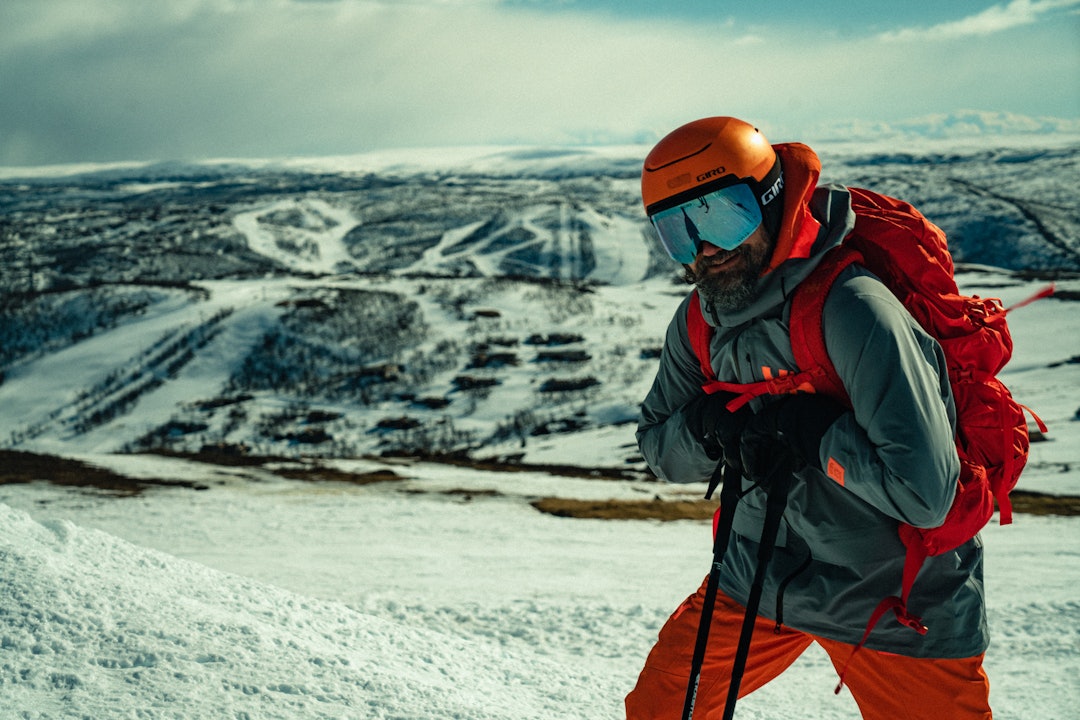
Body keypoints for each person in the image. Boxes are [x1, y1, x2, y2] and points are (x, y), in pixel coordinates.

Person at [626, 117, 992, 719]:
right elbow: (658, 447)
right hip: (758, 579)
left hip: (895, 600)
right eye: (677, 231)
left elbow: (926, 494)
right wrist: (709, 428)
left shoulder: (854, 311)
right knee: (661, 710)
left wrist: (814, 433)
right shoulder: (698, 321)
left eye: (721, 215)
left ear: (772, 202)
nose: (705, 247)